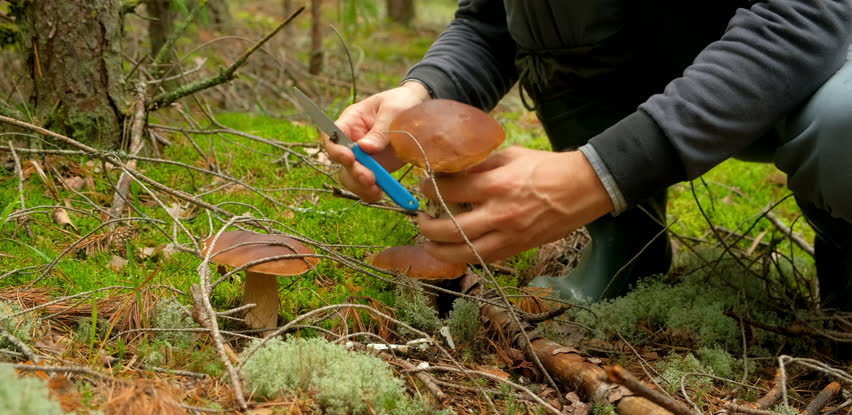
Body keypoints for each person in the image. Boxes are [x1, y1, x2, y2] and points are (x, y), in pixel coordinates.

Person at [323, 1, 852, 310]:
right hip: (633, 72)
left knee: (843, 124)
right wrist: (423, 94)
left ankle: (843, 245)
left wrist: (597, 175)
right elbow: (491, 21)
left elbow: (804, 16)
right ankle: (627, 242)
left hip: (807, 71)